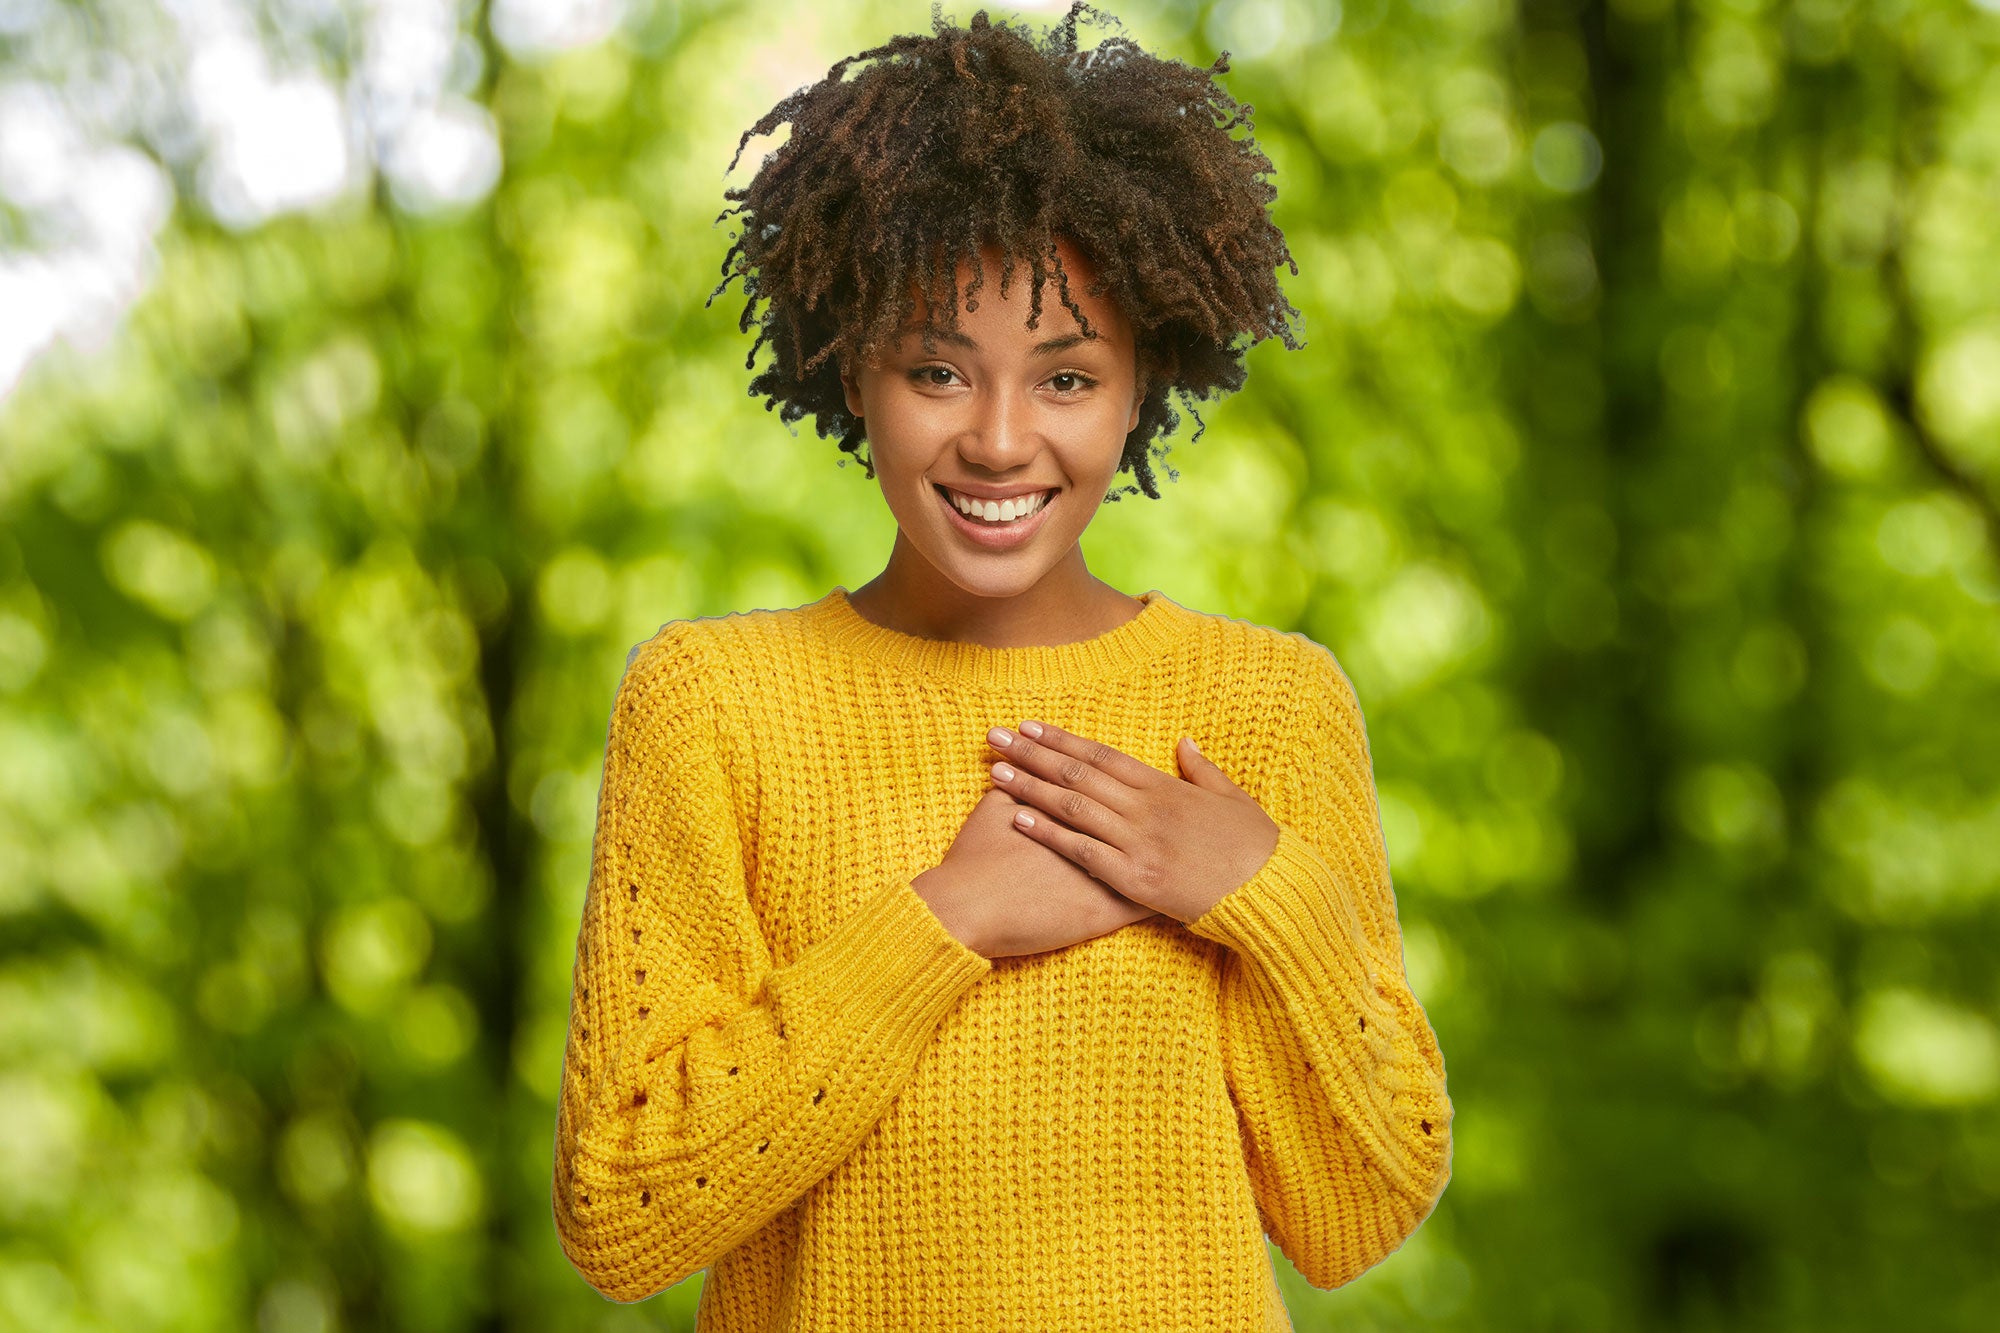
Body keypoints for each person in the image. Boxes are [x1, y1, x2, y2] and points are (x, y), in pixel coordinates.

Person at [550, 6, 1452, 1329]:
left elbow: (1356, 1209)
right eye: (937, 368)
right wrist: (945, 921)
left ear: (1142, 384)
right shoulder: (711, 703)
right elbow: (623, 1212)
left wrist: (1262, 892)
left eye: (1068, 378)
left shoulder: (1271, 706)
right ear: (851, 367)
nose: (999, 438)